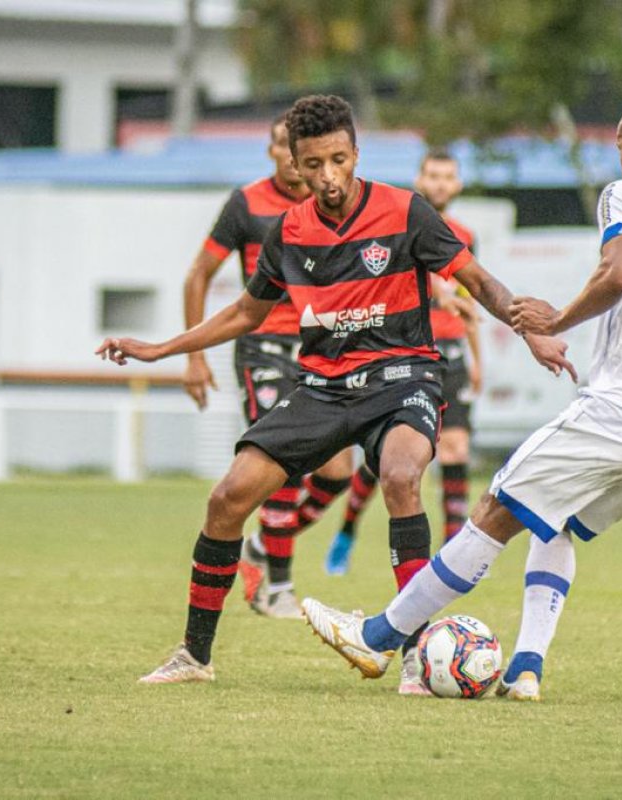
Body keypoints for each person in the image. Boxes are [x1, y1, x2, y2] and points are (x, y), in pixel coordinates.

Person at [301, 95, 622, 701]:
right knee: (554, 523)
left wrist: (560, 321)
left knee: (497, 506)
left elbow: (620, 271)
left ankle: (379, 635)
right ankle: (525, 670)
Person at [96, 94, 573, 690]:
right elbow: (247, 312)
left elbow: (476, 280)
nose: (327, 177)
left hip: (403, 376)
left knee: (400, 476)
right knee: (227, 499)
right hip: (322, 385)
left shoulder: (406, 211)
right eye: (313, 164)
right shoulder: (288, 232)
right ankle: (194, 656)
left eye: (338, 160)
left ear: (355, 154)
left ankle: (416, 656)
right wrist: (165, 349)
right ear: (293, 163)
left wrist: (527, 327)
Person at [182, 114, 355, 619]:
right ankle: (277, 587)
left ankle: (262, 545)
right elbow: (198, 276)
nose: (288, 156)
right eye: (280, 145)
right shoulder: (247, 204)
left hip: (320, 348)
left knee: (337, 473)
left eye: (293, 146)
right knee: (280, 466)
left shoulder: (331, 203)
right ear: (273, 150)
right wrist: (194, 357)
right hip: (264, 347)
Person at [324, 150, 483, 575]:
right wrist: (438, 293)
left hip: (450, 355)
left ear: (458, 184)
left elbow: (470, 296)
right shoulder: (397, 221)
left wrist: (477, 356)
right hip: (403, 353)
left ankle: (453, 556)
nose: (439, 183)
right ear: (419, 178)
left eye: (447, 176)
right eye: (432, 175)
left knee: (456, 448)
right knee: (387, 460)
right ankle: (347, 530)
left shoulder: (466, 235)